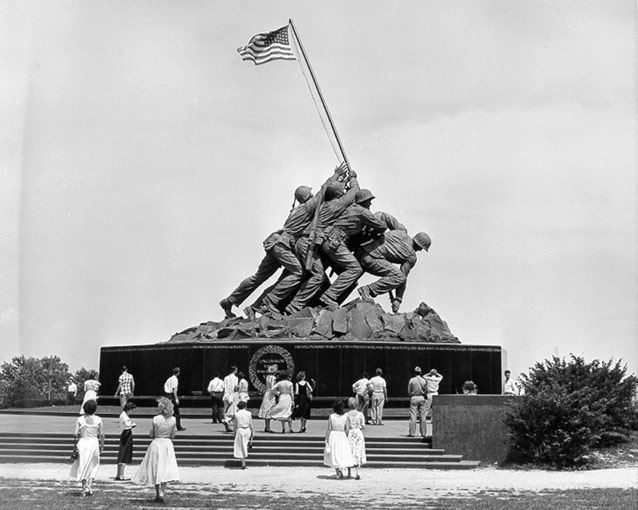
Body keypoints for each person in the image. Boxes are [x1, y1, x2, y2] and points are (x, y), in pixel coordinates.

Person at [219, 163, 349, 318]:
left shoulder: (297, 210)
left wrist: (342, 181)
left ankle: (230, 300)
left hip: (276, 243)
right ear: (307, 197)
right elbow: (323, 191)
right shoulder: (307, 207)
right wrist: (336, 175)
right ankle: (269, 303)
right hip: (282, 245)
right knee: (298, 273)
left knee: (258, 277)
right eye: (310, 193)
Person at [317, 187, 386, 308]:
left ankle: (329, 297)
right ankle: (329, 296)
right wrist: (373, 230)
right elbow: (382, 226)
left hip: (330, 240)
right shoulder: (362, 212)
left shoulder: (351, 208)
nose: (370, 203)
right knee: (355, 269)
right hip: (335, 242)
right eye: (369, 200)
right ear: (364, 201)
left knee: (348, 276)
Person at [356, 231, 431, 313]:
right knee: (399, 277)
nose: (420, 250)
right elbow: (403, 277)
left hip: (360, 251)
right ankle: (368, 289)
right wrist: (398, 299)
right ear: (419, 245)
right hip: (370, 259)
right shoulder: (411, 256)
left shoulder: (400, 233)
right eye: (421, 248)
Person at [133, 397, 179, 503]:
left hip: (157, 443)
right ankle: (162, 492)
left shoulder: (156, 419)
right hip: (167, 444)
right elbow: (173, 435)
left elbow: (151, 434)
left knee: (156, 468)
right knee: (165, 468)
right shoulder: (173, 420)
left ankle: (158, 493)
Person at [70, 399, 104, 497]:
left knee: (83, 464)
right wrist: (102, 446)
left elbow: (75, 433)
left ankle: (84, 487)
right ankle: (89, 485)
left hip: (83, 442)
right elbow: (102, 435)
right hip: (94, 442)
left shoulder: (80, 419)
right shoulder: (98, 419)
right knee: (94, 464)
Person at [323, 399, 354, 479]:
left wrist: (327, 438)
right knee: (345, 453)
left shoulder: (332, 416)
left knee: (335, 453)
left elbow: (329, 429)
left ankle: (338, 472)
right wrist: (346, 437)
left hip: (334, 435)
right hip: (342, 435)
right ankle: (349, 472)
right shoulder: (345, 416)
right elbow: (347, 429)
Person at [345, 397, 367, 480]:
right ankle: (358, 471)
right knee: (358, 450)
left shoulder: (347, 415)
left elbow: (346, 427)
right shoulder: (360, 414)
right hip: (358, 433)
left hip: (350, 433)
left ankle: (349, 472)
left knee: (350, 451)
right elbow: (363, 426)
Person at [115, 401, 137, 481]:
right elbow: (126, 424)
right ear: (129, 409)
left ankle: (119, 474)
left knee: (122, 453)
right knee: (124, 453)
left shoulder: (123, 415)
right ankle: (121, 475)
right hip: (126, 433)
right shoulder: (124, 416)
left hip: (125, 433)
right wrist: (132, 425)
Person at [232, 401, 254, 470]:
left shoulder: (237, 414)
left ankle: (243, 463)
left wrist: (234, 432)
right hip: (247, 430)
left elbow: (235, 425)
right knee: (244, 445)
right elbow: (251, 423)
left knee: (241, 446)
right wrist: (252, 431)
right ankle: (244, 462)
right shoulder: (249, 413)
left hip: (240, 430)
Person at [407, 366, 427, 438]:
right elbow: (425, 390)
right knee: (423, 416)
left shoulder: (412, 380)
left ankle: (412, 433)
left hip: (414, 397)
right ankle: (423, 433)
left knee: (413, 416)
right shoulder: (423, 380)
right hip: (421, 397)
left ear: (414, 373)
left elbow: (409, 390)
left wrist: (410, 397)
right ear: (420, 372)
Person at [163, 367, 186, 431]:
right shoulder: (175, 379)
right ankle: (178, 426)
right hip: (171, 396)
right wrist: (176, 398)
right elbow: (174, 389)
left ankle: (169, 426)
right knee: (176, 412)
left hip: (167, 395)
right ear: (178, 372)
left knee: (169, 411)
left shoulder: (169, 379)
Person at [257, 364, 278, 433]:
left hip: (267, 393)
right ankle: (268, 427)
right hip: (270, 395)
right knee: (269, 410)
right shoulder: (273, 378)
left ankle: (266, 426)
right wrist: (277, 393)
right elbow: (272, 387)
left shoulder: (268, 377)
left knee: (267, 410)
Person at [222, 366, 239, 432]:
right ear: (234, 370)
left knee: (226, 410)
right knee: (233, 410)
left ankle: (227, 427)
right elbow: (236, 387)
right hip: (232, 396)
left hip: (226, 395)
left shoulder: (226, 378)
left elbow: (224, 387)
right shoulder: (235, 378)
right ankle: (228, 421)